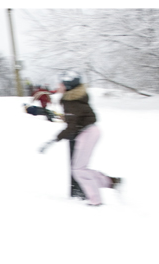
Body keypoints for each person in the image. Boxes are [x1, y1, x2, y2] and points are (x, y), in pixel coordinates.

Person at [39, 71, 121, 206]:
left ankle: (96, 202)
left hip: (87, 133)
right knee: (80, 169)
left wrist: (53, 140)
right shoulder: (73, 98)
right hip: (87, 132)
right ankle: (111, 182)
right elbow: (75, 118)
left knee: (78, 170)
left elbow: (71, 126)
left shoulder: (70, 101)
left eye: (61, 83)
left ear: (68, 86)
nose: (58, 85)